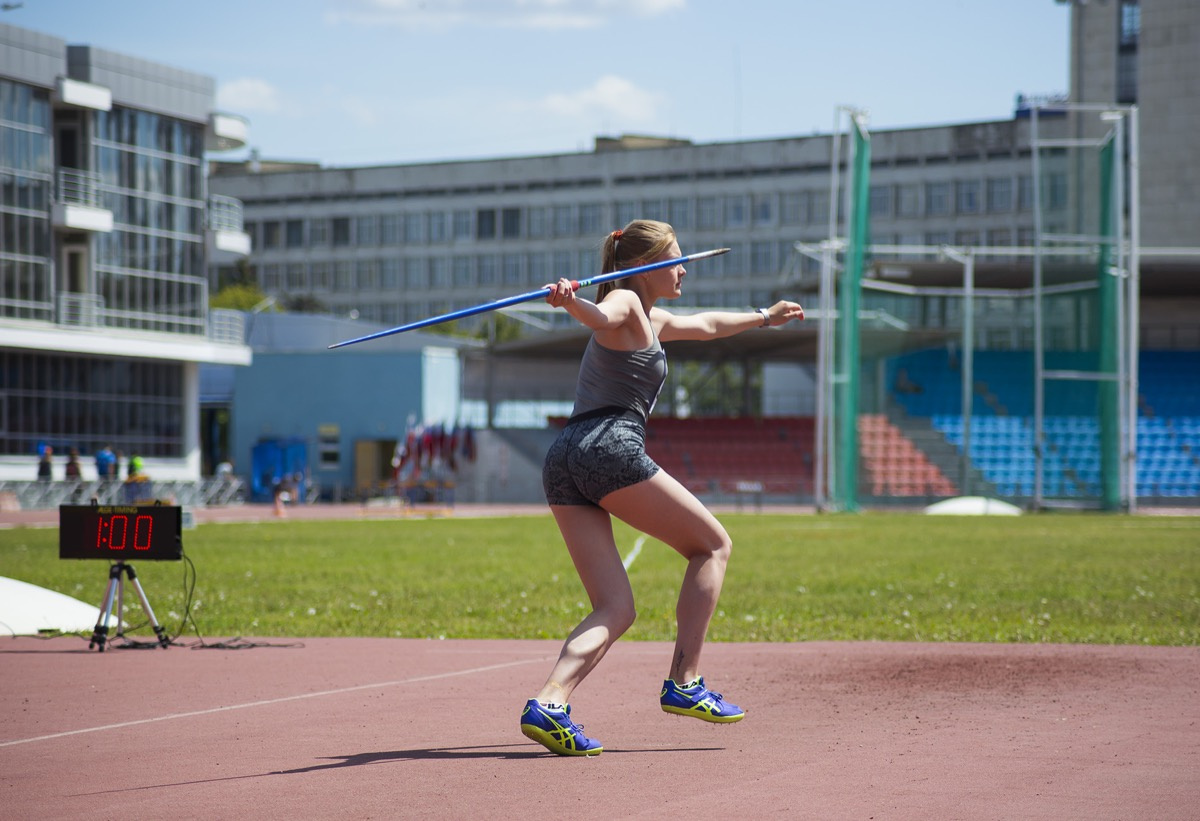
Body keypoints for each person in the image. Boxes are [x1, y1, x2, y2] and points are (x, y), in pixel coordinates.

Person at [520, 219, 804, 756]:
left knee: (615, 607)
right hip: (607, 447)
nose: (683, 267)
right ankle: (685, 682)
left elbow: (709, 325)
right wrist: (569, 302)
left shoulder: (654, 318)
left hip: (564, 457)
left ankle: (550, 702)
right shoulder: (627, 303)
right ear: (638, 268)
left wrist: (765, 317)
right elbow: (601, 316)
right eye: (674, 258)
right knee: (713, 546)